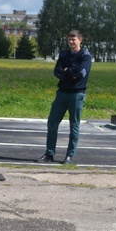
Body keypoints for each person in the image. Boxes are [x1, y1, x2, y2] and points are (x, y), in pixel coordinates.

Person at [35, 29, 92, 164]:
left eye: (74, 39)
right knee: (52, 123)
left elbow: (81, 73)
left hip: (77, 94)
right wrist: (69, 73)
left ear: (80, 40)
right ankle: (49, 154)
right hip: (62, 93)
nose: (71, 41)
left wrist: (68, 71)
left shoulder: (85, 56)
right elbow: (57, 71)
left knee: (74, 125)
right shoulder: (64, 55)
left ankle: (69, 156)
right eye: (69, 39)